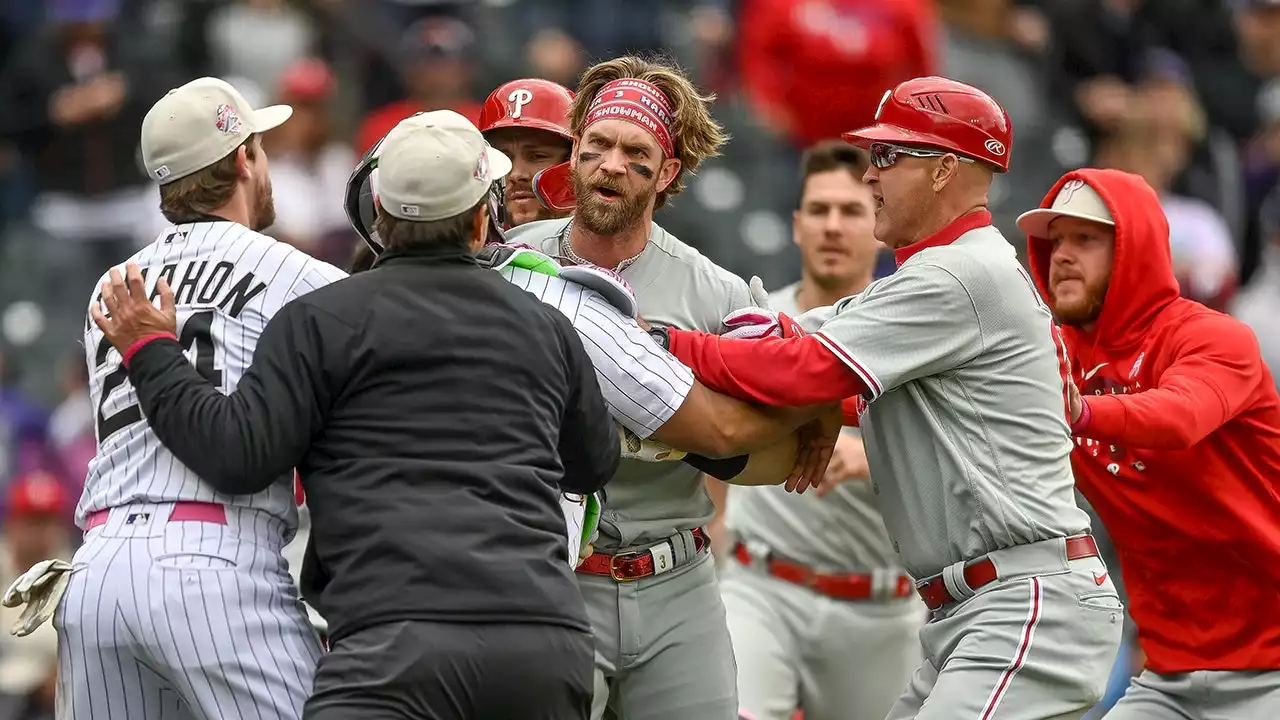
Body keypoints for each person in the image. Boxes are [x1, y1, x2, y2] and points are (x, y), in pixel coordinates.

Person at [90, 110, 619, 720]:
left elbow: (237, 456)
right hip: (541, 647)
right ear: (482, 220)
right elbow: (592, 464)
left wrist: (152, 353)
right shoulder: (546, 325)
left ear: (377, 213)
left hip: (391, 652)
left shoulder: (319, 320)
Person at [646, 76, 1124, 720]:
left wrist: (661, 341)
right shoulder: (941, 269)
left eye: (889, 157)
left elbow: (801, 369)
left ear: (945, 170)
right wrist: (809, 393)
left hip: (1024, 602)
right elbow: (803, 356)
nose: (870, 176)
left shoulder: (959, 272)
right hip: (983, 604)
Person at [4, 76, 346, 720]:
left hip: (97, 569)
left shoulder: (111, 286)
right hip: (214, 560)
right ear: (244, 158)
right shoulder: (301, 275)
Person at [503, 54, 833, 720]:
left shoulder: (718, 293)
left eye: (634, 152)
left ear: (668, 172)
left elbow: (766, 451)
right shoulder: (513, 262)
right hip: (551, 575)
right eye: (595, 147)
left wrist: (813, 405)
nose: (611, 164)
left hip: (675, 578)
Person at [343, 125, 832, 569]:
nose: (521, 176)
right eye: (505, 157)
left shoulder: (322, 311)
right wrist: (814, 400)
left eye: (538, 154)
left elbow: (277, 447)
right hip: (521, 571)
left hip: (653, 568)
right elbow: (709, 435)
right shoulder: (537, 279)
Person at [1019, 168, 1280, 718]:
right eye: (1055, 240)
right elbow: (953, 403)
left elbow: (1182, 414)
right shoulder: (1049, 356)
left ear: (1134, 249)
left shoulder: (1212, 336)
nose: (1062, 254)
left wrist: (1082, 411)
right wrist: (835, 412)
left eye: (1085, 239)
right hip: (1168, 678)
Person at [710, 140, 926, 720]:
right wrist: (715, 532)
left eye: (852, 211)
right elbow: (707, 440)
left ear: (878, 223)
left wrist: (871, 457)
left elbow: (963, 464)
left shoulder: (917, 338)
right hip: (761, 586)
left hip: (877, 605)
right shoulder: (753, 328)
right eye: (820, 210)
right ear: (797, 224)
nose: (834, 226)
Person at [478, 78, 575, 228]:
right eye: (504, 158)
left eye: (537, 157)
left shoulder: (610, 244)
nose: (517, 175)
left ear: (574, 160)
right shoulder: (471, 247)